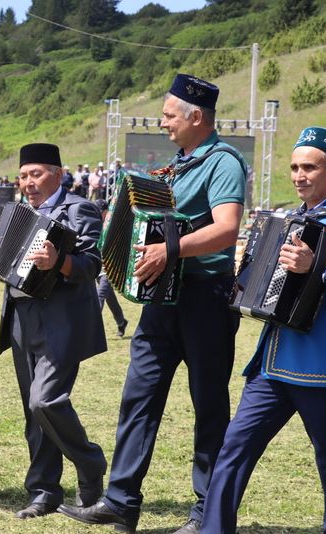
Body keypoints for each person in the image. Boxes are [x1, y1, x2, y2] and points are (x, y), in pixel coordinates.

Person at [59, 73, 246, 534]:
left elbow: (227, 229)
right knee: (138, 397)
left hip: (206, 297)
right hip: (161, 299)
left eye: (168, 115)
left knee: (209, 406)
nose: (162, 123)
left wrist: (172, 249)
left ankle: (208, 513)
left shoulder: (224, 162)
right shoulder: (179, 163)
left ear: (196, 116)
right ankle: (121, 501)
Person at [201, 127, 326, 534]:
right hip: (273, 360)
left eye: (310, 167)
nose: (299, 175)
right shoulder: (289, 216)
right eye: (295, 167)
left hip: (323, 364)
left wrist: (318, 267)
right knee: (234, 448)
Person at [0, 143, 107, 520]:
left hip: (60, 320)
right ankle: (43, 490)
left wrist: (59, 262)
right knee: (34, 414)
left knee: (45, 401)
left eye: (37, 174)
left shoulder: (80, 209)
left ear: (58, 175)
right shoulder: (19, 212)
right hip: (19, 318)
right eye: (24, 175)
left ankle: (90, 464)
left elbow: (93, 263)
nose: (28, 182)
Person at [93, 199, 128, 337]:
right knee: (109, 298)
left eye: (99, 212)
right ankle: (121, 322)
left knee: (99, 296)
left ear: (106, 211)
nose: (97, 215)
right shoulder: (95, 225)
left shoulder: (113, 225)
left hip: (109, 268)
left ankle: (91, 331)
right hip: (98, 268)